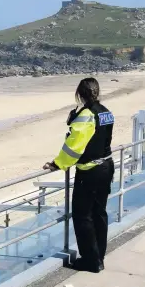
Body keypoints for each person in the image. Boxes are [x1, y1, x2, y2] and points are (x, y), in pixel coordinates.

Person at [43, 77, 115, 273]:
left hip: (90, 172)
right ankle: (99, 256)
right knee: (99, 214)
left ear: (80, 94)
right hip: (107, 166)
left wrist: (57, 164)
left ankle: (91, 261)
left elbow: (74, 147)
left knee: (83, 216)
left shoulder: (86, 116)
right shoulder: (106, 112)